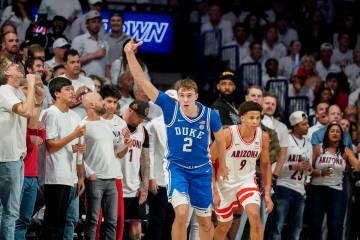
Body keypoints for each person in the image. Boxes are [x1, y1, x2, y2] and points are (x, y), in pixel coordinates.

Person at [124, 39, 228, 240]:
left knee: (205, 222)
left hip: (202, 171)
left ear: (196, 96)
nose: (186, 100)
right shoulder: (171, 108)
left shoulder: (210, 115)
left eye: (189, 95)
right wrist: (130, 55)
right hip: (177, 169)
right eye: (182, 96)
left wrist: (220, 165)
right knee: (181, 215)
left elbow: (221, 140)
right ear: (178, 96)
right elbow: (144, 83)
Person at [211, 101, 273, 240]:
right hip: (225, 183)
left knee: (254, 215)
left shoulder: (263, 136)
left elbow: (265, 164)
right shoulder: (227, 134)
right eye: (252, 118)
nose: (255, 121)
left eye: (258, 118)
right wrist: (214, 189)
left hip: (246, 181)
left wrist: (267, 194)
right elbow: (208, 160)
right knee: (224, 226)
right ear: (242, 117)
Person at [41, 77, 86, 239]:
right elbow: (51, 146)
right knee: (52, 223)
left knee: (63, 223)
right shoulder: (50, 114)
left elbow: (74, 148)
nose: (72, 92)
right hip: (53, 176)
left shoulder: (75, 116)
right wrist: (73, 135)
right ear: (56, 93)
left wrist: (80, 175)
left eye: (72, 89)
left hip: (69, 175)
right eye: (67, 89)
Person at [0, 64, 39, 240]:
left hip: (17, 157)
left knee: (11, 212)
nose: (20, 67)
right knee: (9, 212)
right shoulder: (4, 91)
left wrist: (38, 95)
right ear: (6, 73)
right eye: (14, 66)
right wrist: (30, 86)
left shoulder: (17, 93)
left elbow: (31, 121)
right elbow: (25, 110)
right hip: (6, 158)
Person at [81, 92, 124, 240]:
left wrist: (125, 141)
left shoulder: (107, 124)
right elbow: (77, 153)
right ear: (92, 104)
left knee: (112, 221)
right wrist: (88, 172)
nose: (104, 103)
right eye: (100, 100)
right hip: (95, 179)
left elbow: (115, 150)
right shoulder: (82, 125)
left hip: (111, 179)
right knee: (93, 220)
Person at [308, 122, 360, 240]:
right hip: (317, 189)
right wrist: (320, 172)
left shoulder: (345, 150)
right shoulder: (318, 148)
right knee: (315, 224)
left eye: (338, 131)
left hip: (337, 190)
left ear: (341, 136)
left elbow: (357, 165)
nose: (335, 133)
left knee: (335, 225)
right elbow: (308, 169)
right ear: (327, 134)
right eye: (332, 131)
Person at [272, 111, 313, 240]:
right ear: (295, 125)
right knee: (278, 227)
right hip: (284, 186)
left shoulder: (309, 144)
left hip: (300, 190)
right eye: (304, 124)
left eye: (307, 124)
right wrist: (291, 166)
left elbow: (309, 171)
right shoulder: (285, 140)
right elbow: (274, 167)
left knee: (296, 229)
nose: (307, 126)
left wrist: (309, 169)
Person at [121, 100, 150, 240]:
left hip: (135, 186)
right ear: (130, 110)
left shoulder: (143, 131)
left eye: (143, 118)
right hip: (116, 184)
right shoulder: (116, 124)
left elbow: (145, 160)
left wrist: (144, 187)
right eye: (139, 117)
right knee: (114, 222)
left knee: (137, 221)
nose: (141, 121)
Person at [71, 10, 109, 77]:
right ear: (87, 24)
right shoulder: (79, 40)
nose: (96, 24)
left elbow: (106, 65)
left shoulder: (104, 43)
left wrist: (107, 80)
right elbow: (72, 61)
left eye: (98, 22)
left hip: (101, 82)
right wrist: (94, 55)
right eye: (93, 22)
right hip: (83, 80)